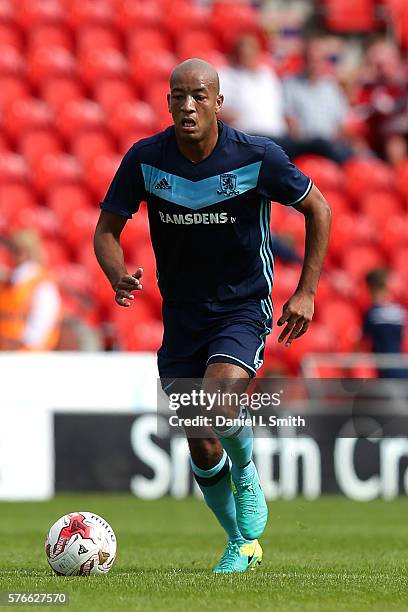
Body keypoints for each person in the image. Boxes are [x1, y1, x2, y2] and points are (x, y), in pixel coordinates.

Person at [94, 58, 331, 573]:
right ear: (167, 103)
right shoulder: (145, 159)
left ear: (218, 102)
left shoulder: (256, 155)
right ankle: (239, 542)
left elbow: (319, 209)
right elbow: (106, 230)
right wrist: (117, 274)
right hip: (182, 314)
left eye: (199, 95)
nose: (188, 105)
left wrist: (306, 291)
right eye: (178, 96)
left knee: (218, 405)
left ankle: (245, 470)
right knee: (200, 440)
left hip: (243, 305)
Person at [283, 34, 353, 163]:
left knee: (352, 155)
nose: (314, 64)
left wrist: (337, 140)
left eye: (318, 60)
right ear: (304, 60)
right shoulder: (291, 84)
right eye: (311, 60)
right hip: (304, 143)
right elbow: (289, 120)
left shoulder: (331, 87)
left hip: (328, 143)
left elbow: (340, 124)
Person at [0, 230, 61, 350]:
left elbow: (42, 324)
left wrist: (18, 344)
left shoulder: (42, 284)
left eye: (18, 251)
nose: (13, 256)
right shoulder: (9, 282)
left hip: (29, 355)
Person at [219, 33, 286, 139]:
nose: (247, 55)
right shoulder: (226, 75)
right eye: (243, 52)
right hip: (246, 135)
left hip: (276, 134)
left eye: (251, 51)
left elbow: (281, 106)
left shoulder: (267, 74)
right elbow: (215, 108)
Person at [362, 268, 407, 378]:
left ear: (371, 288)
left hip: (385, 368)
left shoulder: (372, 314)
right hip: (401, 365)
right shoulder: (400, 312)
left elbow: (362, 343)